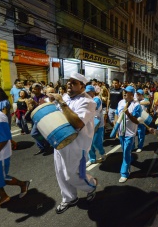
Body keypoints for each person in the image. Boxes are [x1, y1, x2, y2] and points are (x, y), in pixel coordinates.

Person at [48, 72, 98, 214]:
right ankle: (69, 198)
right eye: (68, 81)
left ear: (82, 86)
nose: (69, 84)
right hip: (60, 141)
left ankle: (91, 186)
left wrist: (61, 103)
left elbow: (77, 123)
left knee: (73, 174)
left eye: (74, 82)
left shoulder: (88, 102)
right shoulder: (64, 97)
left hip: (77, 145)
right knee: (61, 173)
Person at [115, 86, 142, 183]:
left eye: (127, 92)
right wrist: (116, 128)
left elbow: (137, 121)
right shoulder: (121, 102)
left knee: (126, 152)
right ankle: (128, 164)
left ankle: (124, 173)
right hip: (121, 132)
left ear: (132, 94)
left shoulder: (136, 105)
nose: (124, 93)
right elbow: (116, 113)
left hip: (130, 133)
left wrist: (128, 114)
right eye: (124, 92)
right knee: (125, 151)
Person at [85, 85, 106, 167]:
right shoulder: (86, 100)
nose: (87, 94)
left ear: (93, 92)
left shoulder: (97, 99)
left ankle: (102, 153)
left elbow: (92, 107)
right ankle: (92, 159)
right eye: (86, 92)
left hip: (98, 124)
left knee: (96, 142)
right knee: (89, 143)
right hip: (88, 124)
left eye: (88, 92)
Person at [29, 83, 50, 155]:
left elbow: (44, 107)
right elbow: (30, 109)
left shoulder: (44, 97)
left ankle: (45, 144)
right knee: (39, 133)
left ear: (39, 89)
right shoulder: (32, 97)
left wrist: (34, 103)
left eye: (35, 88)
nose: (33, 90)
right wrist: (30, 105)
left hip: (43, 118)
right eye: (32, 88)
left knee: (34, 133)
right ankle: (43, 147)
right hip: (35, 117)